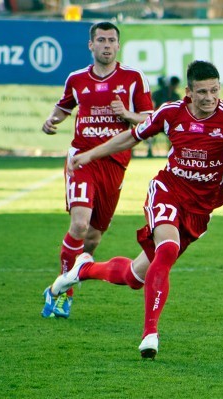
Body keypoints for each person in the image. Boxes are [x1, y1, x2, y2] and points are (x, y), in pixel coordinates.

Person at [41, 60, 223, 360]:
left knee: (132, 277)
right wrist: (90, 154)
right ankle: (149, 334)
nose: (209, 97)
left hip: (199, 211)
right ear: (189, 93)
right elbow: (131, 136)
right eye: (202, 92)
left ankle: (82, 269)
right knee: (167, 248)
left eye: (215, 90)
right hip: (167, 191)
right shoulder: (170, 113)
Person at [40, 21, 153, 319]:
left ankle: (59, 284)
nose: (106, 45)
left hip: (115, 163)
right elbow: (64, 106)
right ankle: (64, 295)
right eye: (100, 40)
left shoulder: (133, 78)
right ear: (90, 45)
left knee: (92, 239)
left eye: (111, 40)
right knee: (79, 226)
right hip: (82, 159)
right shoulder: (76, 79)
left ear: (118, 45)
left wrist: (126, 114)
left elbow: (150, 119)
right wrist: (53, 120)